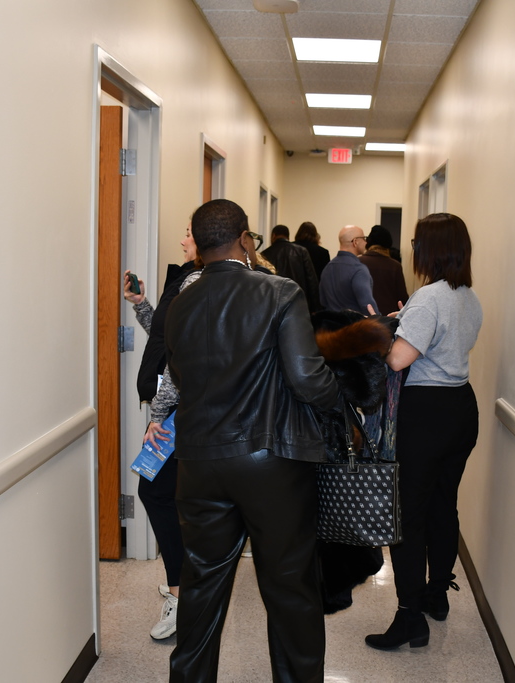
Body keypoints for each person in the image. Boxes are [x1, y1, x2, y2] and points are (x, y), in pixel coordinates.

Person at [165, 199, 340, 683]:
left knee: (201, 587)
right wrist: (341, 402)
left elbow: (180, 375)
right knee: (289, 589)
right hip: (271, 462)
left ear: (199, 247)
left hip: (199, 462)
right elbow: (307, 378)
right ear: (245, 239)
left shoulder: (180, 305)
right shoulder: (280, 292)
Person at [364, 213, 482, 652]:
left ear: (429, 248)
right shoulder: (469, 297)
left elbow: (397, 360)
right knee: (442, 505)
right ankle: (436, 595)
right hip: (459, 409)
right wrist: (406, 318)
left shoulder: (429, 298)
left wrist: (380, 332)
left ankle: (409, 617)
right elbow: (440, 339)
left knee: (407, 516)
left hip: (426, 414)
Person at [121, 225, 201, 642]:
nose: (183, 238)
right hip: (177, 409)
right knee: (169, 493)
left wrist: (160, 412)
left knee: (154, 491)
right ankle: (182, 580)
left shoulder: (199, 280)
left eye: (189, 232)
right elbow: (165, 336)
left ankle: (181, 594)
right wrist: (141, 304)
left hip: (181, 411)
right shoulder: (188, 276)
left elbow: (180, 357)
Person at [318, 225, 379, 315]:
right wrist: (381, 322)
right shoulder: (359, 270)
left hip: (331, 326)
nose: (366, 242)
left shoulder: (328, 268)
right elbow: (367, 305)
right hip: (354, 327)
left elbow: (323, 301)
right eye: (364, 238)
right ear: (355, 242)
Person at [262, 224, 320, 312]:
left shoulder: (265, 254)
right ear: (288, 236)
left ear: (273, 235)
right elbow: (312, 281)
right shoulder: (301, 251)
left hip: (274, 306)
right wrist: (315, 309)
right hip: (298, 303)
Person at [359, 225, 408, 314]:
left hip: (364, 317)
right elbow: (402, 297)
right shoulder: (395, 266)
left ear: (368, 242)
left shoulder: (358, 262)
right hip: (388, 318)